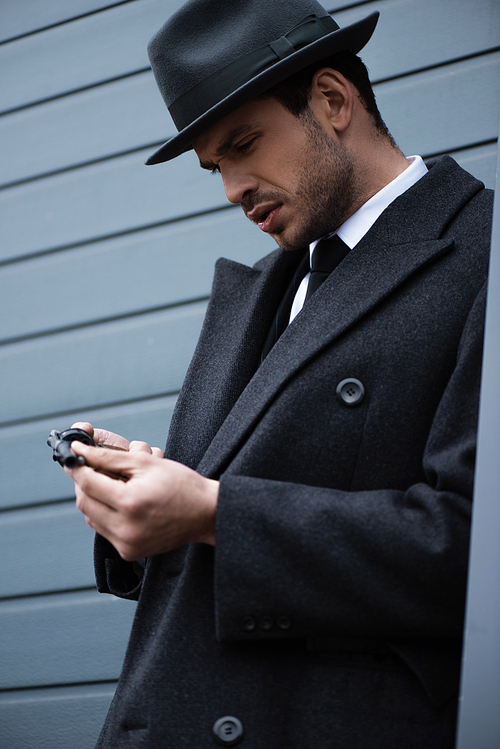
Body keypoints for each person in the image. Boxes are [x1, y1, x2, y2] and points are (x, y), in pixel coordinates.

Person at [65, 1, 493, 746]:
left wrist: (212, 512)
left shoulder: (480, 251)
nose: (232, 187)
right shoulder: (254, 290)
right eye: (214, 167)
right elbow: (229, 488)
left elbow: (472, 548)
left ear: (332, 100)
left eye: (244, 145)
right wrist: (145, 503)